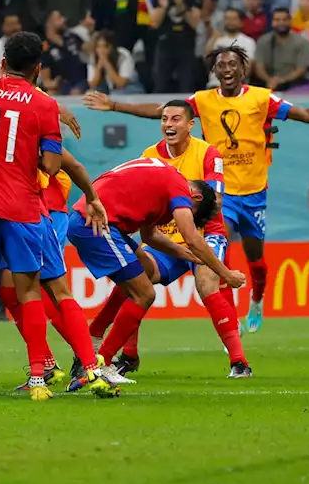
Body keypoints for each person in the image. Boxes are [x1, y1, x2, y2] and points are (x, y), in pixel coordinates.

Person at [84, 45, 309, 334]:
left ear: (243, 68)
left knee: (256, 259)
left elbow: (306, 115)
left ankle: (257, 297)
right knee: (220, 248)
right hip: (223, 193)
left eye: (232, 64)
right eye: (220, 66)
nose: (226, 69)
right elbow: (163, 111)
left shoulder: (261, 98)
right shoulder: (202, 100)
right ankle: (230, 328)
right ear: (215, 71)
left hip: (255, 193)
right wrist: (114, 105)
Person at [0, 30, 112, 401]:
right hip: (22, 209)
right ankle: (42, 378)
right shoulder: (44, 106)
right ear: (38, 69)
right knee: (33, 290)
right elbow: (49, 165)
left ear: (1, 64)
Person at [88, 101, 250, 379]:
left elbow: (216, 199)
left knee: (206, 280)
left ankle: (239, 362)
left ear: (190, 125)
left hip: (204, 233)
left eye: (176, 119)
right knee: (135, 277)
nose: (169, 125)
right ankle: (126, 355)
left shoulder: (209, 153)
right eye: (164, 119)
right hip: (163, 238)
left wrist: (181, 205)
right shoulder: (150, 154)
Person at [66, 157, 244, 378]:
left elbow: (149, 235)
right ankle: (101, 362)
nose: (181, 215)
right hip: (97, 224)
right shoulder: (179, 187)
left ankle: (93, 344)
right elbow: (192, 238)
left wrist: (184, 254)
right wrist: (226, 273)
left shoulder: (162, 177)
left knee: (143, 274)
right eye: (191, 212)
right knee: (145, 293)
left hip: (93, 220)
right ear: (195, 197)